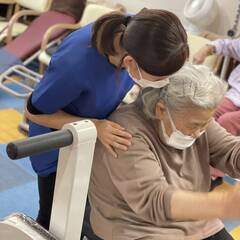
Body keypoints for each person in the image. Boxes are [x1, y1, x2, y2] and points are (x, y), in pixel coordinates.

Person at [25, 7, 189, 235]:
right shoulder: (76, 64)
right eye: (159, 79)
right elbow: (32, 110)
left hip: (91, 137)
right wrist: (94, 126)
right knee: (54, 217)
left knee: (85, 211)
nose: (161, 82)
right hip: (55, 146)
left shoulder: (139, 36)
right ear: (130, 62)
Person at [88, 64, 240, 240]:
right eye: (194, 125)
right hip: (138, 228)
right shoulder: (124, 133)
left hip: (195, 221)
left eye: (206, 123)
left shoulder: (198, 118)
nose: (200, 132)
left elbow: (230, 151)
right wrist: (223, 205)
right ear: (161, 109)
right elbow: (154, 201)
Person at [193, 38, 240, 136]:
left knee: (227, 122)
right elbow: (226, 45)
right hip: (236, 96)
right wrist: (206, 49)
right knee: (205, 111)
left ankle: (214, 150)